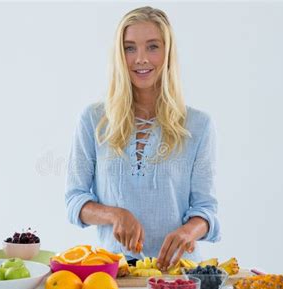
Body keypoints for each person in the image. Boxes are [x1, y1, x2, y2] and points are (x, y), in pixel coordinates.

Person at [65, 6, 220, 270]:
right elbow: (75, 199)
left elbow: (205, 210)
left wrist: (188, 232)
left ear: (168, 53)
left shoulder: (199, 125)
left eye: (152, 47)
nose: (141, 59)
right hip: (113, 274)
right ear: (119, 55)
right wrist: (114, 214)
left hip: (178, 274)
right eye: (129, 48)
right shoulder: (94, 119)